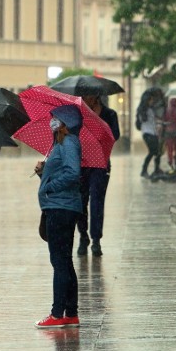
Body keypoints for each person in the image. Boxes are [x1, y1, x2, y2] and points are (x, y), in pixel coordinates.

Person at [33, 105, 82, 328]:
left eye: (55, 118)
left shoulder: (69, 142)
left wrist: (50, 186)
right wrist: (44, 173)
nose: (51, 120)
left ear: (64, 122)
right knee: (64, 261)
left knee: (59, 261)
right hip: (59, 205)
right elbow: (64, 170)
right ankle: (70, 313)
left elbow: (73, 173)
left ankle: (57, 314)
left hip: (61, 208)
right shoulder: (60, 143)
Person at [77, 94, 120, 257]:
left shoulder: (109, 114)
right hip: (81, 164)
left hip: (101, 165)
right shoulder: (77, 113)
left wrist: (98, 125)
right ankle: (83, 236)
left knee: (97, 202)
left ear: (96, 97)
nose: (85, 99)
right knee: (80, 203)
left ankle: (96, 240)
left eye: (88, 96)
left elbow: (114, 135)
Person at [137, 89, 164, 178]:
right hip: (147, 133)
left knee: (158, 152)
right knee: (153, 152)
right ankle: (144, 170)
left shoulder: (150, 109)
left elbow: (153, 121)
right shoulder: (143, 110)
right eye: (151, 100)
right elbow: (142, 121)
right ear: (147, 100)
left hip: (153, 133)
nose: (152, 101)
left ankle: (157, 169)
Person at [163, 97, 176, 172]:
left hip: (168, 132)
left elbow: (164, 120)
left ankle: (170, 161)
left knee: (169, 148)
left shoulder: (166, 110)